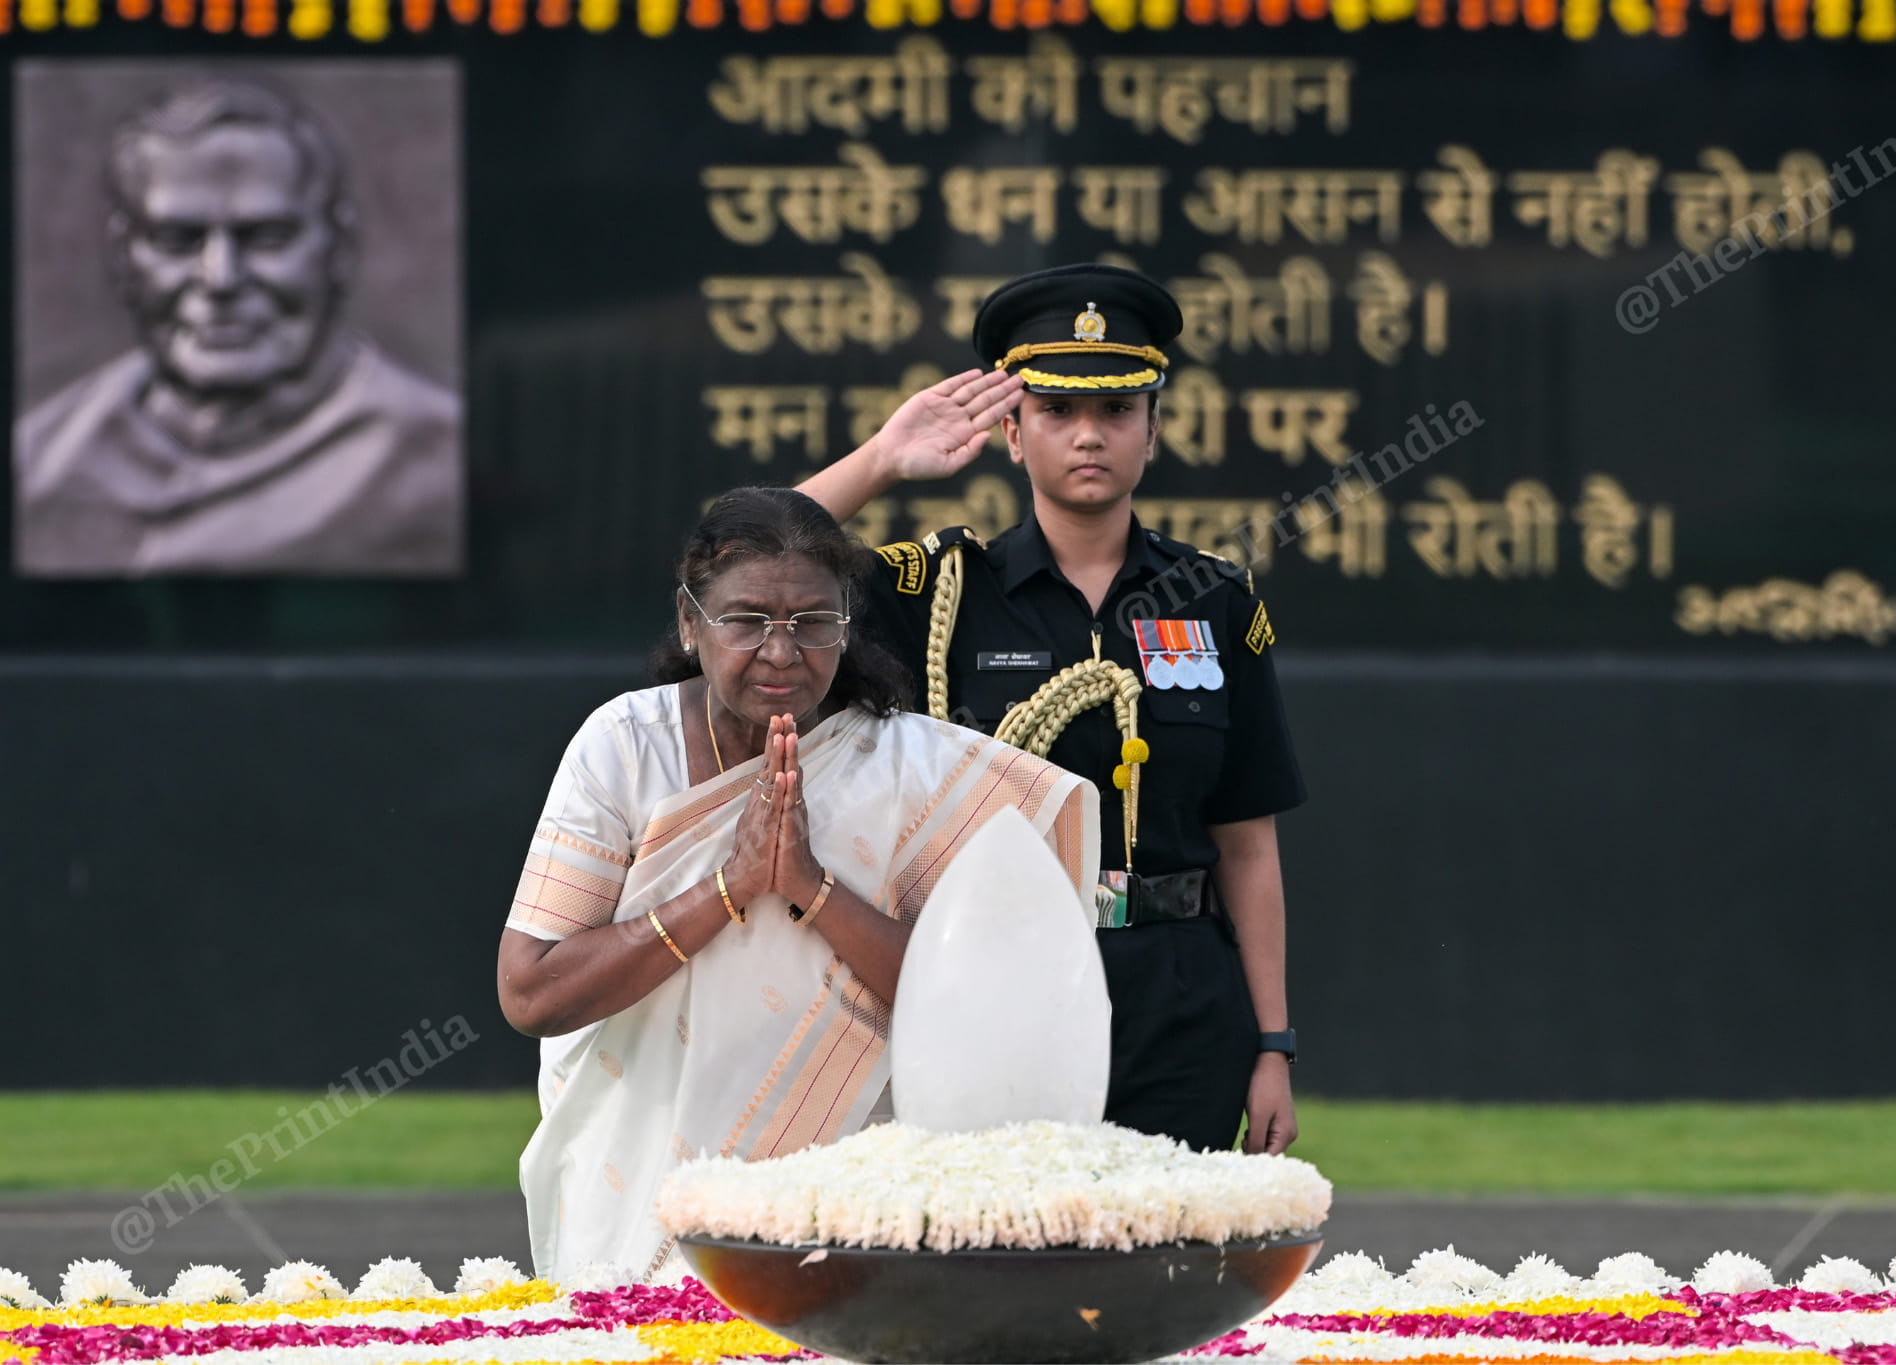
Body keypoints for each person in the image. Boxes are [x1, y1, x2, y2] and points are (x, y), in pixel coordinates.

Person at [497, 487, 1099, 1280]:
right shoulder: (625, 749)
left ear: (845, 625)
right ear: (690, 623)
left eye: (812, 622)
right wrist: (730, 887)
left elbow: (983, 1010)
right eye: (746, 620)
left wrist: (813, 890)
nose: (781, 652)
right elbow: (532, 992)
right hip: (637, 1191)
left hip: (843, 1198)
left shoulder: (908, 768)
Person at [798, 263, 1306, 1156]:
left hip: (1181, 994)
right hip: (996, 980)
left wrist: (1273, 1044)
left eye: (1117, 411)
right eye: (1057, 410)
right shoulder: (941, 589)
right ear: (1011, 430)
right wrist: (881, 458)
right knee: (1007, 1231)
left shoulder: (1217, 600)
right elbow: (748, 560)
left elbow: (1247, 844)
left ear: (1154, 429)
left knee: (1165, 1236)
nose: (1089, 435)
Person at [13, 79, 461, 577]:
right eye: (177, 240)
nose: (221, 278)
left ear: (339, 248)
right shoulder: (39, 462)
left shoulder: (441, 462)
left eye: (268, 237)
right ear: (124, 257)